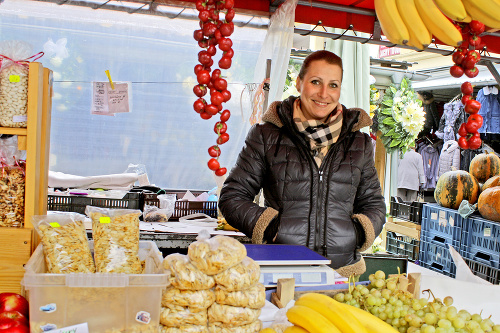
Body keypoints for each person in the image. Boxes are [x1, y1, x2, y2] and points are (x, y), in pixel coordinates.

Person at [218, 50, 386, 277]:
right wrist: (272, 227)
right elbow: (233, 196)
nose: (324, 93)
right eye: (315, 82)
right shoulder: (267, 135)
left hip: (341, 273)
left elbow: (373, 203)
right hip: (281, 270)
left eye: (333, 85)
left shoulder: (359, 143)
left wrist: (356, 232)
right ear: (299, 83)